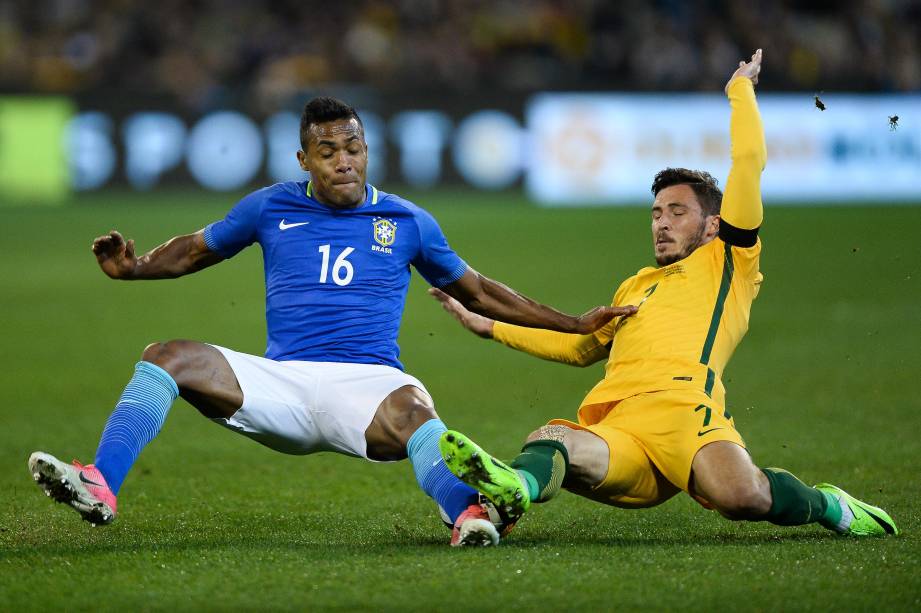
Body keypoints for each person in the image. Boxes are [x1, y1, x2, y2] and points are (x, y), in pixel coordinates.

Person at [28, 97, 635, 547]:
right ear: (304, 159)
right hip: (282, 384)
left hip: (368, 387)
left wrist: (574, 324)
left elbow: (477, 292)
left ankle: (469, 516)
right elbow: (193, 250)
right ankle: (99, 484)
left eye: (354, 149)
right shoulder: (270, 206)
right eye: (329, 152)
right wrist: (132, 270)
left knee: (417, 417)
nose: (345, 162)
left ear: (367, 150)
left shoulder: (407, 221)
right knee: (166, 356)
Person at [431, 50, 899, 539]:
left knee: (741, 496)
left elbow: (749, 160)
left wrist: (739, 90)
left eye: (677, 212)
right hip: (620, 427)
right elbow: (581, 348)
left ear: (712, 224)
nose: (661, 223)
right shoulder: (636, 285)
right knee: (552, 439)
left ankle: (830, 506)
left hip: (685, 414)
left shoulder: (729, 262)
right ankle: (512, 493)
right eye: (656, 213)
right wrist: (492, 327)